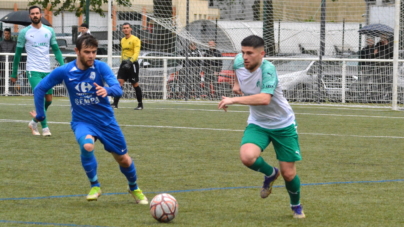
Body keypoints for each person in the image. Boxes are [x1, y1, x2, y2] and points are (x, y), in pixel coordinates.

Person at [29, 34, 148, 204]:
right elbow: (40, 89)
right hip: (82, 121)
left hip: (106, 121)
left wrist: (107, 91)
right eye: (87, 52)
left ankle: (134, 187)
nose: (91, 56)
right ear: (77, 51)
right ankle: (95, 185)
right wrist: (40, 115)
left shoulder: (101, 67)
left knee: (124, 159)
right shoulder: (65, 71)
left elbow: (118, 89)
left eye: (94, 52)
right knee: (87, 145)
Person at [218, 35, 305, 219]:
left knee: (289, 174)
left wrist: (234, 99)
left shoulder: (268, 69)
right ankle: (271, 173)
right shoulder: (239, 61)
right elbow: (235, 67)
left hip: (283, 125)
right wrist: (235, 84)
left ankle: (296, 205)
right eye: (243, 52)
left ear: (261, 54)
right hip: (258, 123)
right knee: (247, 157)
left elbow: (265, 99)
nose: (244, 57)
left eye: (250, 53)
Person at [11, 5, 64, 136]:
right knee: (40, 97)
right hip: (32, 70)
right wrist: (14, 72)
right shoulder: (24, 32)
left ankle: (34, 121)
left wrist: (63, 66)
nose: (35, 15)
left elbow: (56, 50)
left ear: (41, 15)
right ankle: (45, 128)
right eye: (32, 14)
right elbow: (17, 54)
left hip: (47, 70)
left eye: (37, 13)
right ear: (30, 16)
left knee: (49, 100)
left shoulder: (49, 31)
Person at [111, 23, 144, 110]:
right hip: (123, 63)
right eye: (124, 28)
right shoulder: (122, 40)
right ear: (122, 30)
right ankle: (115, 104)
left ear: (131, 29)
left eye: (127, 28)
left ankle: (140, 105)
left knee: (135, 84)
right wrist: (122, 62)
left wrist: (130, 62)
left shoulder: (135, 39)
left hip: (132, 64)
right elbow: (123, 53)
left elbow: (136, 52)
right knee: (119, 82)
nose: (126, 29)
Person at [0, 28, 16, 94]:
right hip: (2, 63)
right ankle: (3, 91)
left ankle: (11, 91)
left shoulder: (14, 43)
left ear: (10, 34)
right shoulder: (1, 43)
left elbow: (15, 53)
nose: (7, 35)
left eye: (8, 33)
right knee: (3, 77)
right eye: (5, 33)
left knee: (12, 77)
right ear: (3, 34)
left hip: (11, 63)